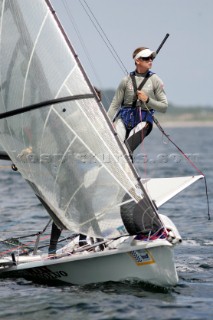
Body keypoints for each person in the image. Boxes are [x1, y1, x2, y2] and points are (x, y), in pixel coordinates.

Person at [107, 47, 168, 155]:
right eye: (146, 58)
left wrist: (148, 100)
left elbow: (164, 107)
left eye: (151, 58)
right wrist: (107, 123)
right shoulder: (126, 80)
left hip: (143, 121)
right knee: (115, 150)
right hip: (124, 118)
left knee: (126, 149)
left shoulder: (155, 80)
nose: (150, 60)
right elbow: (114, 105)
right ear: (137, 61)